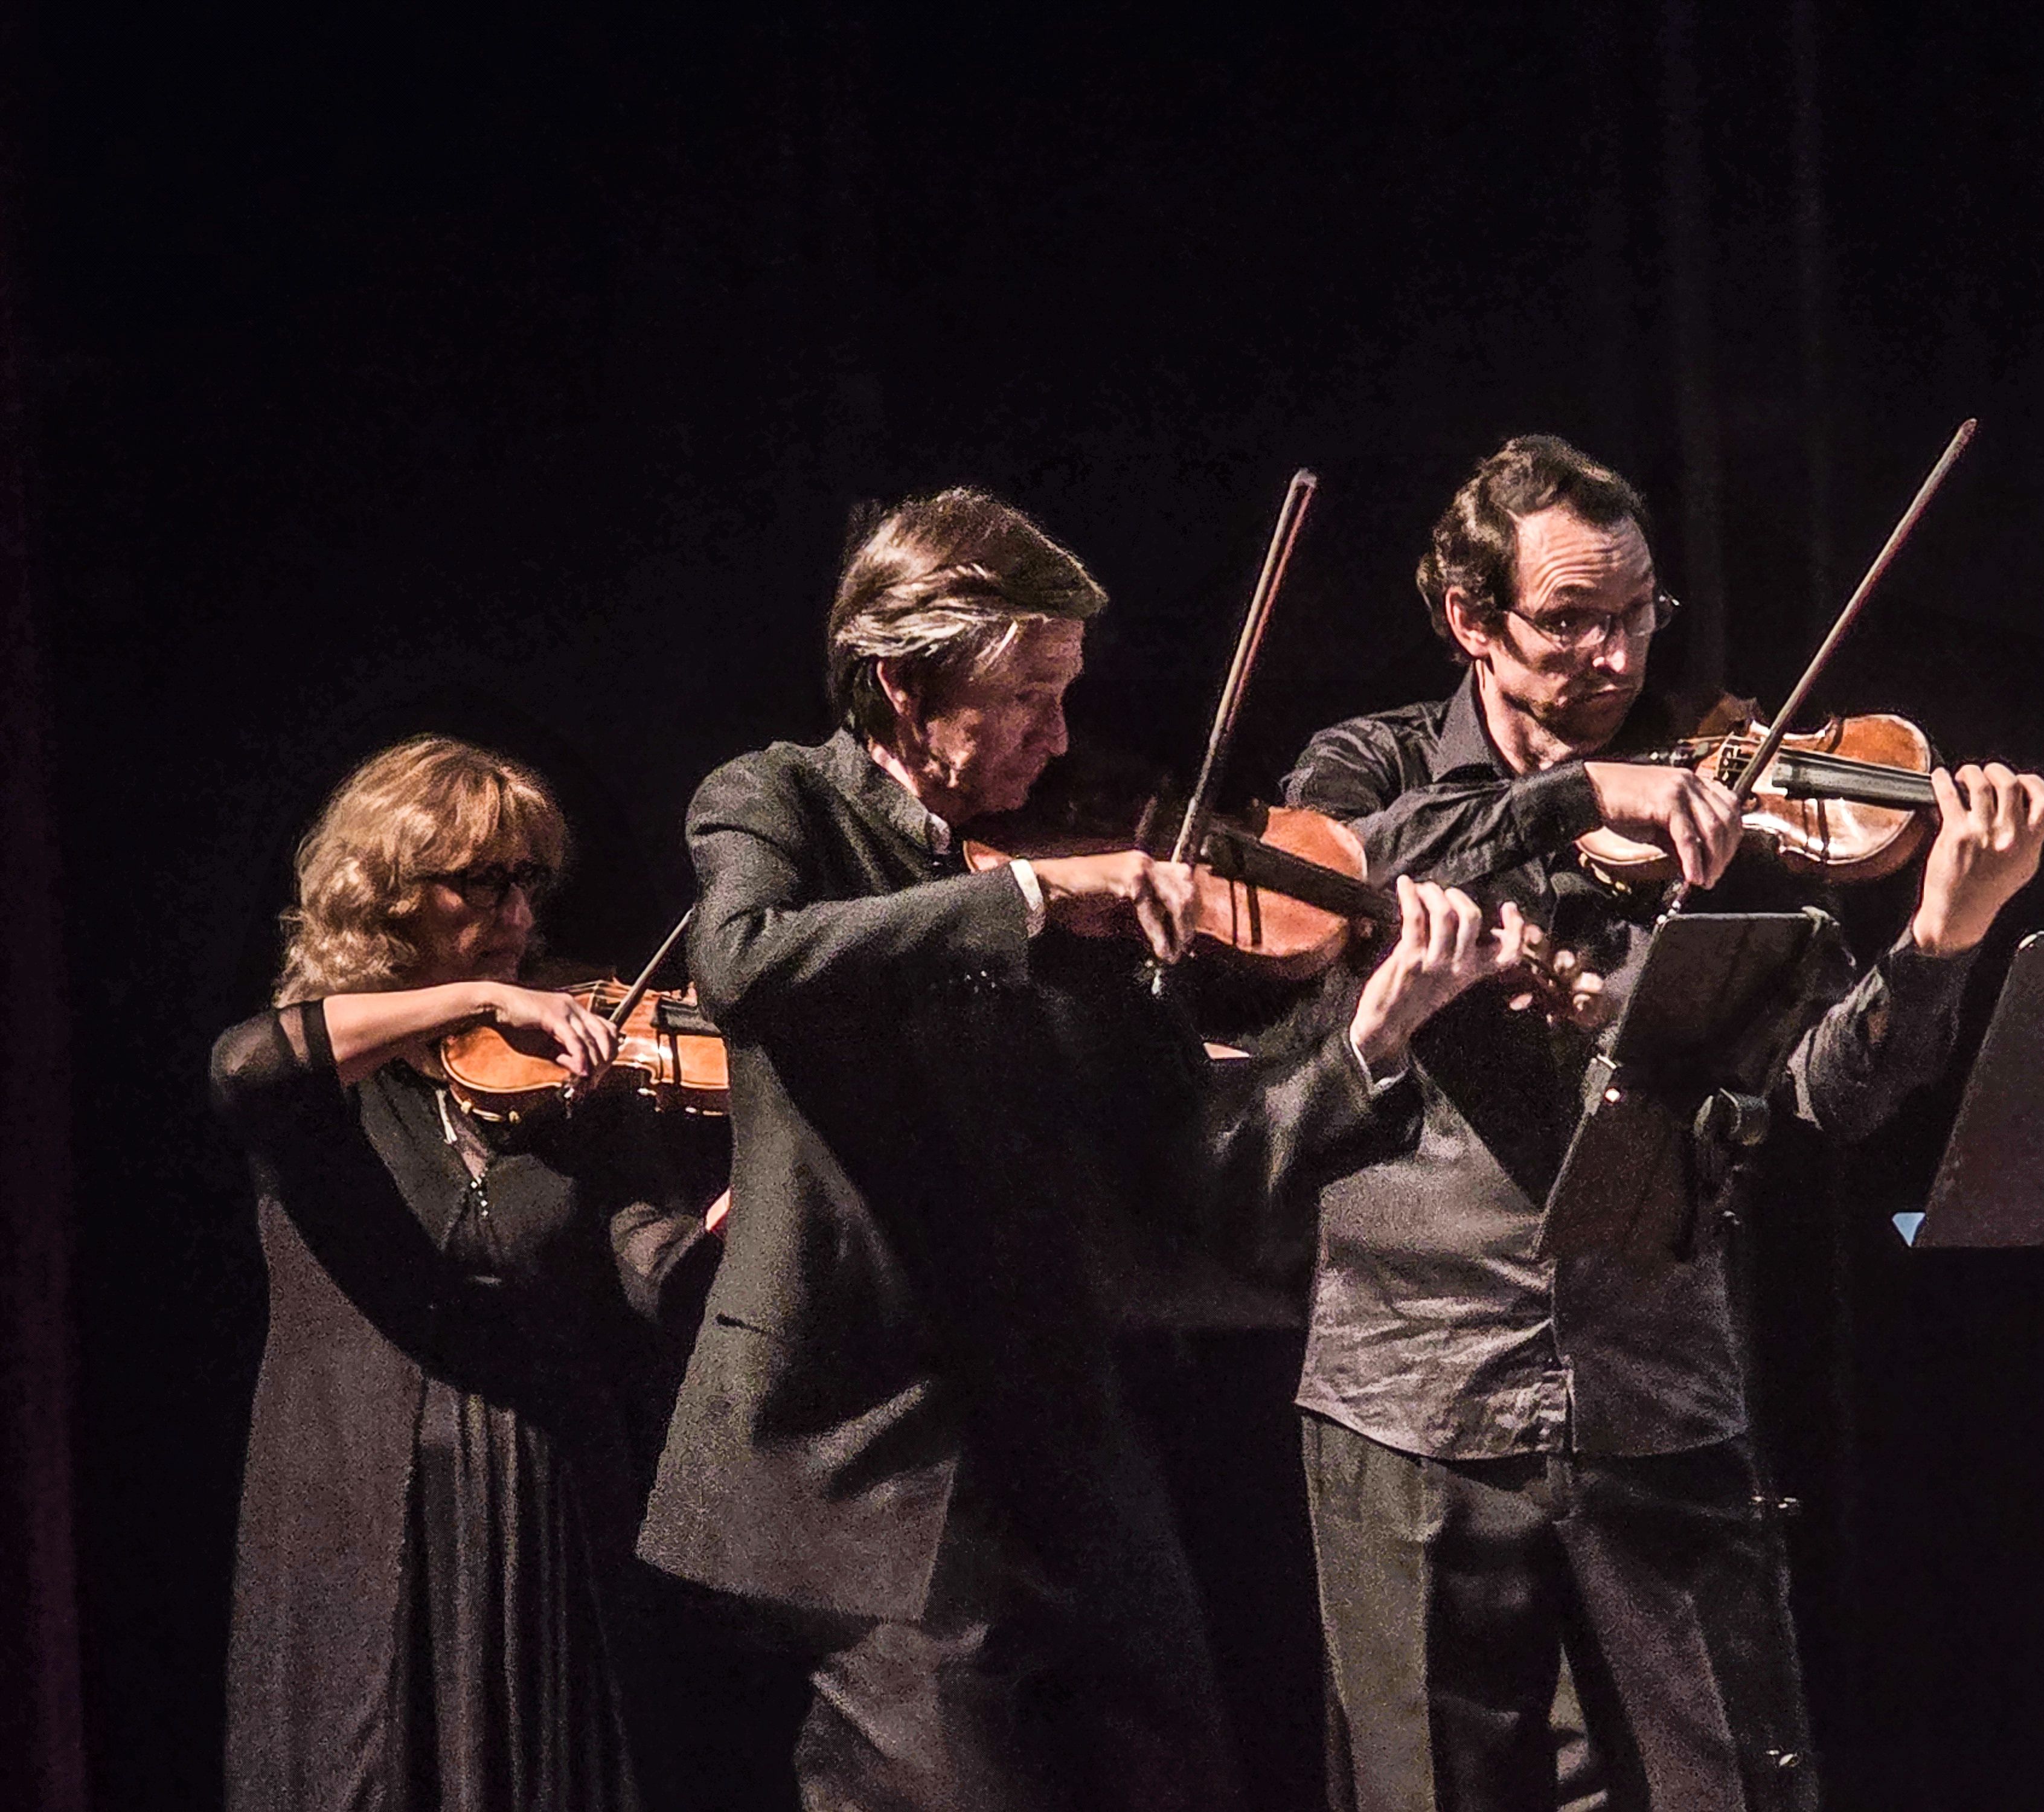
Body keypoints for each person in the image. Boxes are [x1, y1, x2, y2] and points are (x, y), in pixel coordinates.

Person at [635, 486, 1523, 1812]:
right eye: (1027, 695)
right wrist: (1032, 895)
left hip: (1058, 1437)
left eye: (1067, 693)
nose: (1059, 740)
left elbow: (1201, 1173)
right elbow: (745, 964)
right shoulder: (778, 804)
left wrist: (1371, 1040)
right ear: (897, 684)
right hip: (860, 1452)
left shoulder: (1081, 903)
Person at [1264, 435, 2044, 1812]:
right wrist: (1574, 794)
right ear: (1469, 619)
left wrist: (1943, 936)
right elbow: (1308, 874)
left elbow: (1820, 1098)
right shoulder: (1368, 766)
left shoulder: (1718, 784)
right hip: (1411, 1396)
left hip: (1658, 1393)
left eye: (1634, 618)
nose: (1611, 659)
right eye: (1567, 622)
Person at [209, 736, 719, 1812]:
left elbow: (642, 1255)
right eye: (482, 883)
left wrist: (728, 1238)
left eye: (529, 881)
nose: (520, 916)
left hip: (544, 1488)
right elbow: (244, 1063)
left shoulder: (574, 1068)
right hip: (354, 1491)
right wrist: (472, 1000)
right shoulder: (323, 1086)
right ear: (388, 896)